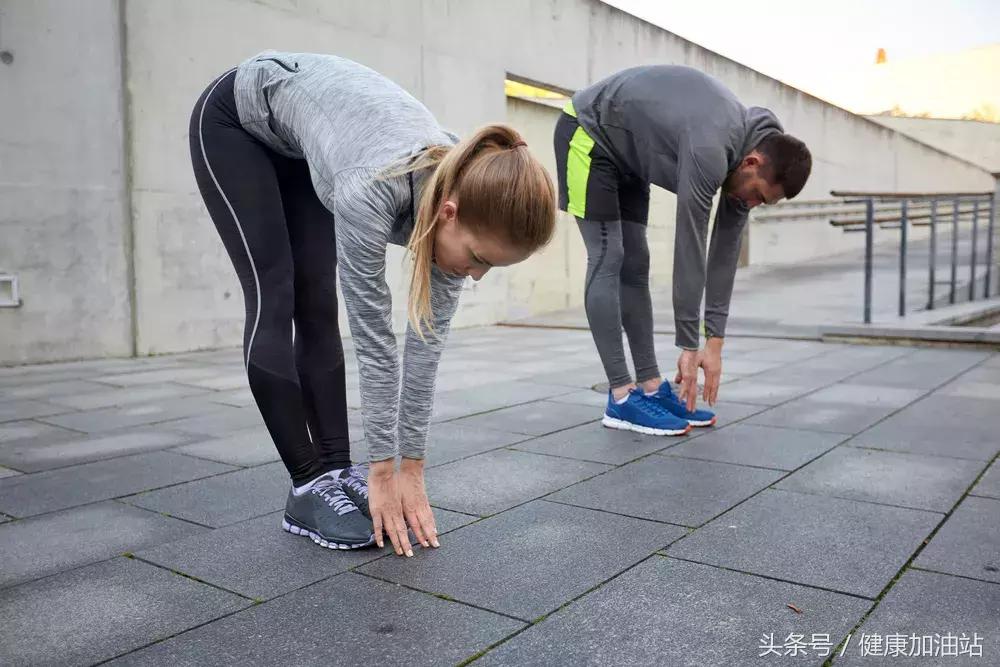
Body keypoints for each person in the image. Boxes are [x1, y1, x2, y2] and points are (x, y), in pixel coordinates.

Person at [190, 51, 555, 556]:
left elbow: (425, 347)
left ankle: (338, 468)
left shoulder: (465, 190)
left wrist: (413, 469)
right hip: (237, 120)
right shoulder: (372, 187)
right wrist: (385, 468)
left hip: (309, 140)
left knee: (318, 302)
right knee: (277, 290)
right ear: (448, 213)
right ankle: (307, 485)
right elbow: (376, 339)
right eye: (477, 259)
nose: (475, 275)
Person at [553, 65, 811, 436]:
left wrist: (714, 342)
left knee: (637, 264)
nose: (753, 204)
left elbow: (724, 255)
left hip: (628, 156)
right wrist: (689, 344)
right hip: (588, 130)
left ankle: (650, 386)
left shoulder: (757, 152)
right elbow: (691, 245)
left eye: (763, 202)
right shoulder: (711, 149)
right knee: (609, 255)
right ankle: (621, 397)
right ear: (752, 163)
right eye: (756, 195)